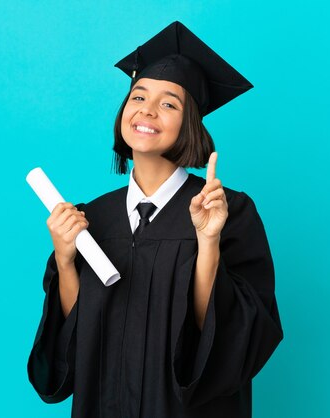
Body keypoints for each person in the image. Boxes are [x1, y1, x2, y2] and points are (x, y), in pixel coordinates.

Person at [27, 21, 283, 418]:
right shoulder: (90, 218)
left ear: (191, 122)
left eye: (169, 103)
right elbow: (74, 347)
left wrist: (208, 243)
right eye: (138, 96)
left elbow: (231, 344)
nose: (147, 110)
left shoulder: (228, 211)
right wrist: (64, 260)